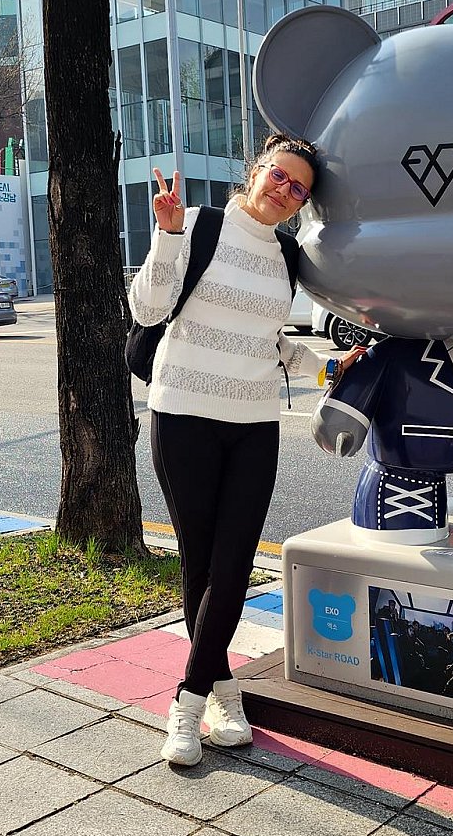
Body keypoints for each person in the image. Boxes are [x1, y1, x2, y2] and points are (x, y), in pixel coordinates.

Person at [129, 134, 339, 767]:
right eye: (280, 175)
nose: (286, 191)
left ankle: (191, 697)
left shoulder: (286, 254)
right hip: (184, 416)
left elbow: (269, 339)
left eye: (299, 189)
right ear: (256, 171)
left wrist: (325, 367)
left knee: (233, 565)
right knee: (201, 565)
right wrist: (168, 235)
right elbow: (148, 308)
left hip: (253, 423)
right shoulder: (196, 224)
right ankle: (216, 696)